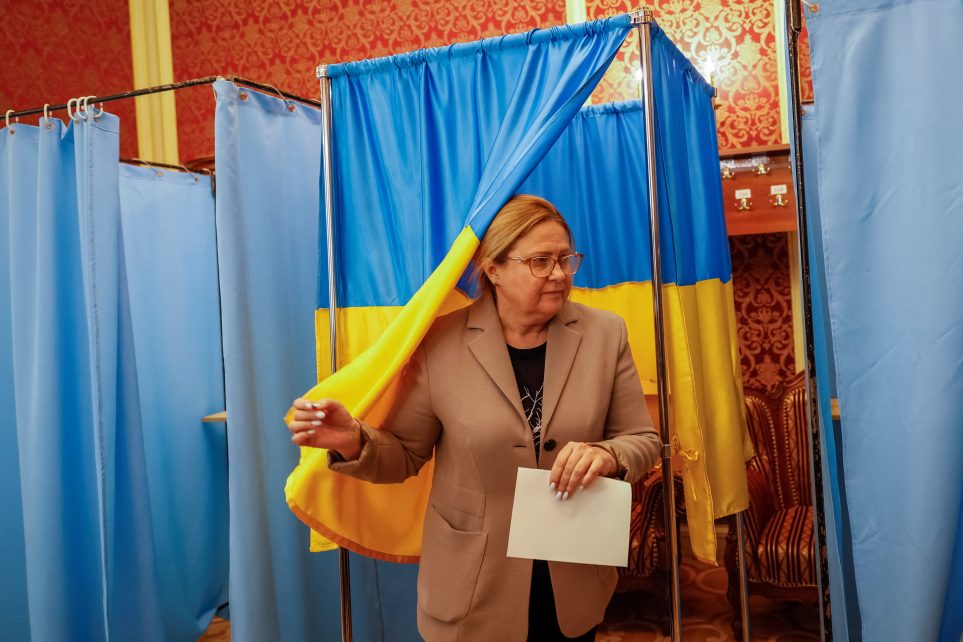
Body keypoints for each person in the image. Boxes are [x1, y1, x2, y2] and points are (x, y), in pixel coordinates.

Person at [289, 194, 660, 641]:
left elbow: (642, 439)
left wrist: (607, 455)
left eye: (566, 258)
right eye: (540, 261)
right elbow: (405, 455)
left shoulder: (606, 333)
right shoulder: (441, 342)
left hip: (574, 578)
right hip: (473, 587)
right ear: (493, 268)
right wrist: (351, 438)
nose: (559, 274)